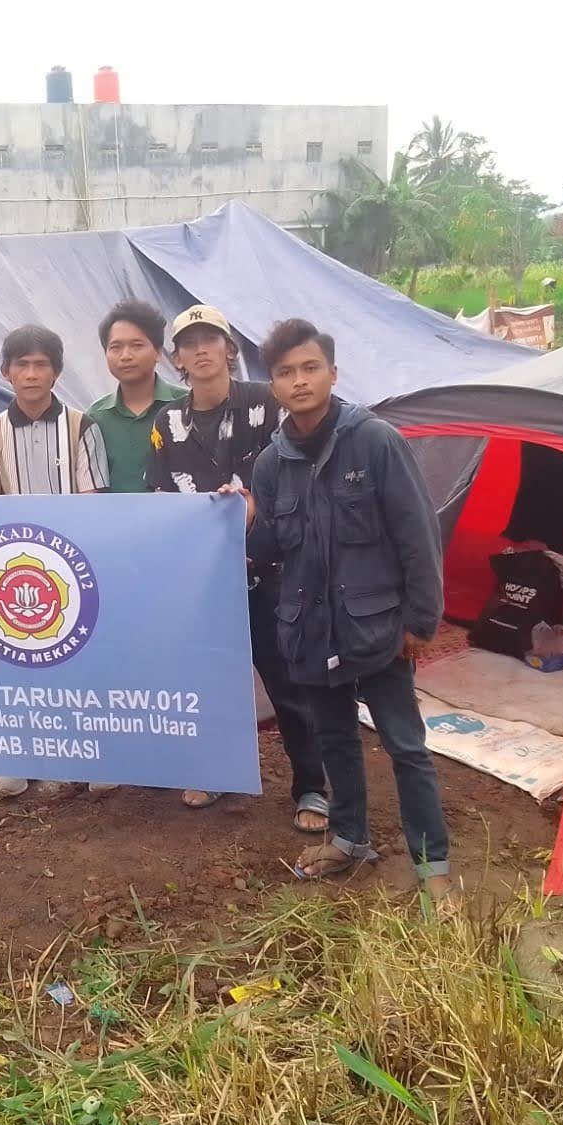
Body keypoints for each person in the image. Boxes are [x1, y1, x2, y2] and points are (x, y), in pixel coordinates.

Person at [240, 318, 455, 902]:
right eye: (285, 372)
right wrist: (234, 520)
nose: (300, 381)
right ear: (272, 385)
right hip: (308, 630)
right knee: (334, 739)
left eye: (311, 368)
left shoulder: (375, 441)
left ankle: (432, 865)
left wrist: (420, 621)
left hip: (377, 626)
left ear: (333, 373)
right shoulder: (270, 464)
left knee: (405, 745)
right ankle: (349, 838)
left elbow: (418, 535)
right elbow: (268, 550)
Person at [147, 304, 330, 832]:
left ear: (230, 349)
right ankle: (217, 769)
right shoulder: (168, 422)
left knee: (287, 681)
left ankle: (312, 786)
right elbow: (161, 496)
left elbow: (294, 475)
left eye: (211, 339)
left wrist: (253, 502)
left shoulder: (265, 403)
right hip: (204, 580)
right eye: (189, 343)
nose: (201, 350)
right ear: (176, 358)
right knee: (211, 682)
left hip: (270, 571)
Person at [0, 324, 112, 799]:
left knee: (82, 663)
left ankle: (92, 756)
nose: (31, 374)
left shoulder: (82, 426)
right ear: (5, 372)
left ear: (57, 371)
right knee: (18, 663)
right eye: (22, 365)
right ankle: (21, 758)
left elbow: (94, 501)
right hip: (13, 572)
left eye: (41, 364)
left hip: (73, 567)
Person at [85, 301, 188, 494]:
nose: (125, 356)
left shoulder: (187, 405)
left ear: (158, 352)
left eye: (136, 345)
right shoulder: (95, 417)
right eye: (115, 347)